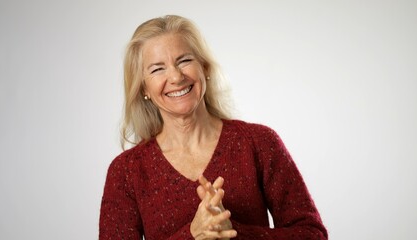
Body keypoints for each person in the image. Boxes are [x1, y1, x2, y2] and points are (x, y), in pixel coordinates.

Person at [99, 14, 328, 239]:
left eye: (184, 61)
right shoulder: (126, 172)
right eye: (158, 69)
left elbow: (313, 234)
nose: (176, 77)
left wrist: (233, 232)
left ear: (205, 69)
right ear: (144, 89)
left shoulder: (259, 142)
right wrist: (192, 234)